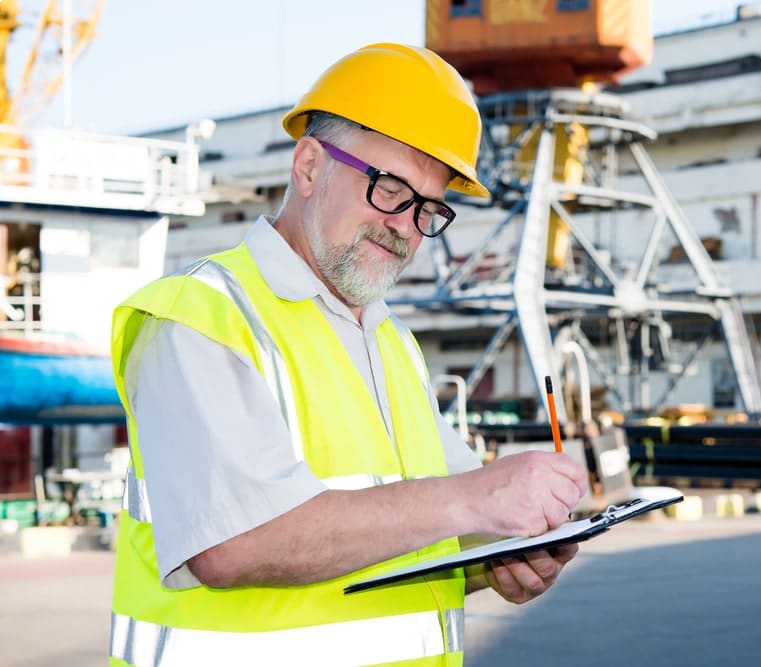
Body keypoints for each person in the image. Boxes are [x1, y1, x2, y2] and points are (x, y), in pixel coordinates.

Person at [107, 42, 588, 667]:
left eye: (429, 208)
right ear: (309, 166)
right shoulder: (199, 316)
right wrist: (478, 499)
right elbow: (229, 543)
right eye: (390, 188)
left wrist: (499, 553)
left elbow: (422, 530)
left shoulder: (390, 343)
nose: (405, 226)